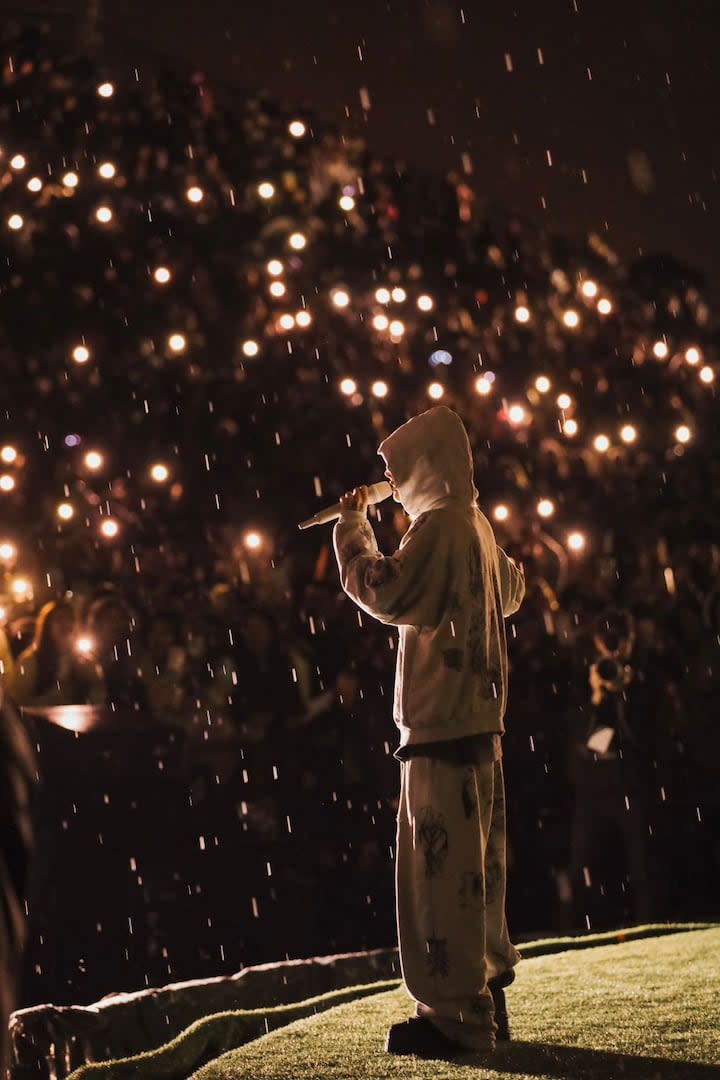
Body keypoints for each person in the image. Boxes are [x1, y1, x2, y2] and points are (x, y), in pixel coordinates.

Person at [332, 404, 525, 1059]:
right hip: (479, 726)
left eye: (396, 468)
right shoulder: (471, 524)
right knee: (478, 874)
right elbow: (514, 589)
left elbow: (381, 589)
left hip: (441, 728)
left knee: (440, 878)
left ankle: (454, 1017)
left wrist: (353, 528)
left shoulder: (443, 527)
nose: (392, 480)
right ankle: (485, 993)